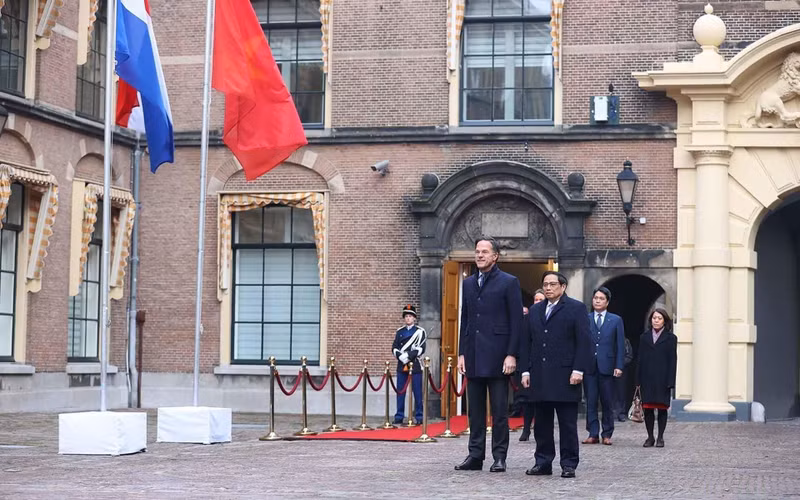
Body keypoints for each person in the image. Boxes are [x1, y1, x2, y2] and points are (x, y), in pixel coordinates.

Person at [455, 237, 523, 473]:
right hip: (473, 355)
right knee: (474, 411)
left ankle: (499, 456)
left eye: (485, 252)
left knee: (499, 411)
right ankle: (475, 455)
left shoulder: (509, 282)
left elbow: (517, 322)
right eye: (477, 251)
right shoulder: (469, 283)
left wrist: (511, 354)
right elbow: (465, 320)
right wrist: (462, 352)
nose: (480, 255)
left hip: (498, 356)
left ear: (495, 256)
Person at [522, 271, 591, 479]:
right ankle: (543, 461)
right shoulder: (534, 310)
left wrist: (578, 369)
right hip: (539, 375)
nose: (548, 288)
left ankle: (569, 463)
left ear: (563, 286)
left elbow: (584, 342)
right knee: (542, 424)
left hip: (565, 375)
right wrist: (525, 370)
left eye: (552, 284)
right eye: (545, 284)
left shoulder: (576, 309)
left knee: (567, 424)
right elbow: (526, 342)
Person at [583, 287, 625, 445]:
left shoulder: (615, 320)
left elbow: (620, 345)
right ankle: (592, 432)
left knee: (607, 402)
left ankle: (607, 433)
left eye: (601, 298)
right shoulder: (585, 318)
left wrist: (619, 365)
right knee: (591, 401)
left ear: (607, 302)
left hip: (607, 366)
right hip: (589, 366)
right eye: (595, 298)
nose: (597, 301)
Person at [637, 308, 677, 448]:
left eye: (659, 318)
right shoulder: (644, 337)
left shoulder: (671, 338)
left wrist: (671, 381)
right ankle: (650, 437)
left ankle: (660, 437)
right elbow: (640, 360)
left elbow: (673, 360)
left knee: (661, 409)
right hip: (647, 378)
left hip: (662, 379)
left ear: (664, 321)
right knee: (647, 409)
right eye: (654, 318)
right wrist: (637, 381)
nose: (656, 320)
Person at [391, 304, 427, 424]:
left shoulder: (420, 332)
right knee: (400, 391)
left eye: (410, 316)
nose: (408, 318)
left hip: (415, 365)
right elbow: (394, 347)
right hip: (402, 365)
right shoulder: (399, 331)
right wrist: (400, 356)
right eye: (406, 316)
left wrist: (409, 356)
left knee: (417, 392)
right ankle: (399, 415)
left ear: (414, 318)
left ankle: (419, 416)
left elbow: (421, 348)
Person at [518, 289, 545, 442]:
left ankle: (540, 429)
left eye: (541, 300)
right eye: (536, 300)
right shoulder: (527, 318)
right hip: (529, 363)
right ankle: (526, 428)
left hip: (545, 365)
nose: (538, 302)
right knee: (527, 399)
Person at [613, 335, 634, 422]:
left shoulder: (625, 341)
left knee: (621, 392)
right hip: (606, 369)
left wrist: (620, 365)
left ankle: (621, 413)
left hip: (621, 370)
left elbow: (629, 356)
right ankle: (610, 413)